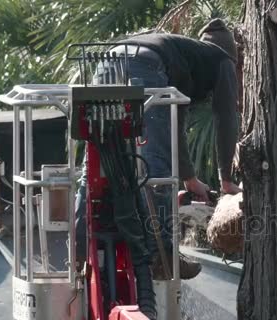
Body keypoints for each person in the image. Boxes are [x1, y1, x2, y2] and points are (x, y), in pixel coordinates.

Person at [75, 18, 242, 319]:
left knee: (98, 156)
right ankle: (162, 252)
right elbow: (226, 120)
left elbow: (173, 124)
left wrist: (191, 180)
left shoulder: (185, 56)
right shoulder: (223, 61)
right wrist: (227, 180)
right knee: (157, 169)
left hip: (108, 62)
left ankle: (75, 246)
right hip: (143, 67)